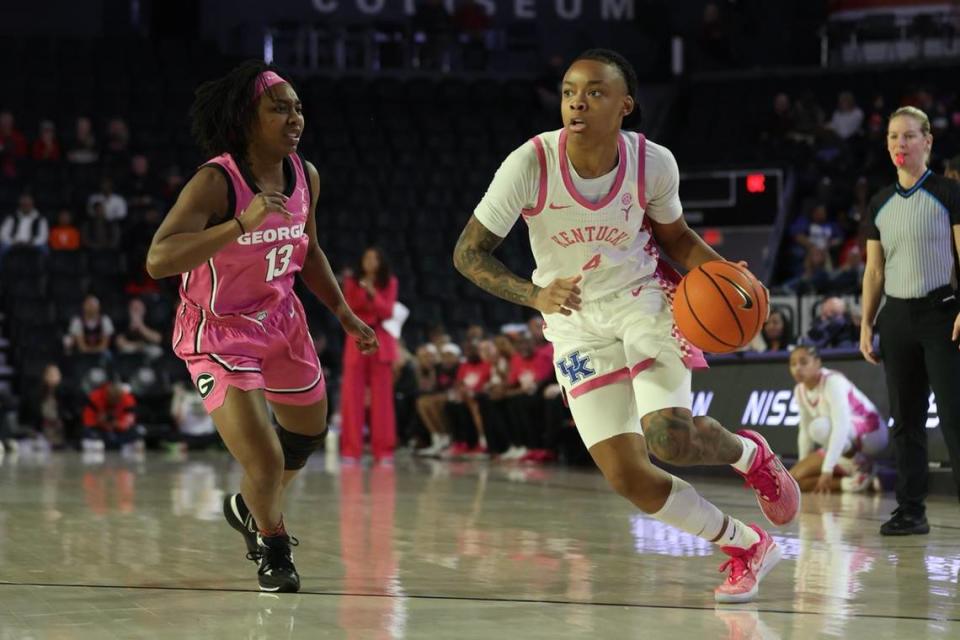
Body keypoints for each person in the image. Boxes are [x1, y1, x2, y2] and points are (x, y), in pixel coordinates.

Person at [452, 48, 799, 603]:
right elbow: (469, 254)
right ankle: (746, 545)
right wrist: (535, 293)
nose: (577, 102)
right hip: (573, 324)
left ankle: (750, 456)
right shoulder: (530, 163)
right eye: (568, 92)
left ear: (625, 105)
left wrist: (726, 276)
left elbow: (676, 238)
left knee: (669, 437)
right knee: (629, 478)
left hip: (644, 301)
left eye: (593, 91)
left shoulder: (653, 162)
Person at [146, 61, 378, 592]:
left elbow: (309, 249)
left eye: (297, 106)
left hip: (281, 320)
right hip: (220, 330)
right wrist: (238, 226)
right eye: (279, 107)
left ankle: (248, 504)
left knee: (307, 432)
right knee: (266, 459)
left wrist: (343, 314)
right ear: (246, 119)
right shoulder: (216, 181)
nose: (294, 116)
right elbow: (159, 258)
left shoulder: (304, 173)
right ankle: (272, 545)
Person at [860, 106, 960, 536]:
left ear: (928, 142)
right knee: (906, 420)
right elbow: (875, 271)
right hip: (896, 317)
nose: (900, 144)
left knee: (955, 416)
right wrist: (866, 323)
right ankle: (910, 510)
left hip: (942, 313)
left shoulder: (948, 192)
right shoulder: (879, 202)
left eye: (909, 136)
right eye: (893, 137)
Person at [787, 344, 888, 494]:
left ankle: (860, 464)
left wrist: (827, 470)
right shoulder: (799, 390)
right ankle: (853, 483)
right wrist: (803, 462)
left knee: (819, 428)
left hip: (873, 432)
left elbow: (841, 426)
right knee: (793, 481)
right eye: (793, 364)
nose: (797, 368)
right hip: (845, 441)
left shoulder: (832, 381)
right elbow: (804, 432)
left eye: (803, 362)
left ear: (817, 362)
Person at [339, 247, 399, 463]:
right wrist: (366, 295)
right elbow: (349, 308)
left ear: (381, 262)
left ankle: (383, 451)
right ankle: (351, 450)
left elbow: (388, 311)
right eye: (367, 258)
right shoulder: (352, 282)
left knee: (382, 400)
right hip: (357, 339)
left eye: (375, 258)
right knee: (352, 397)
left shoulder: (389, 282)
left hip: (381, 340)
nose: (371, 261)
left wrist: (373, 293)